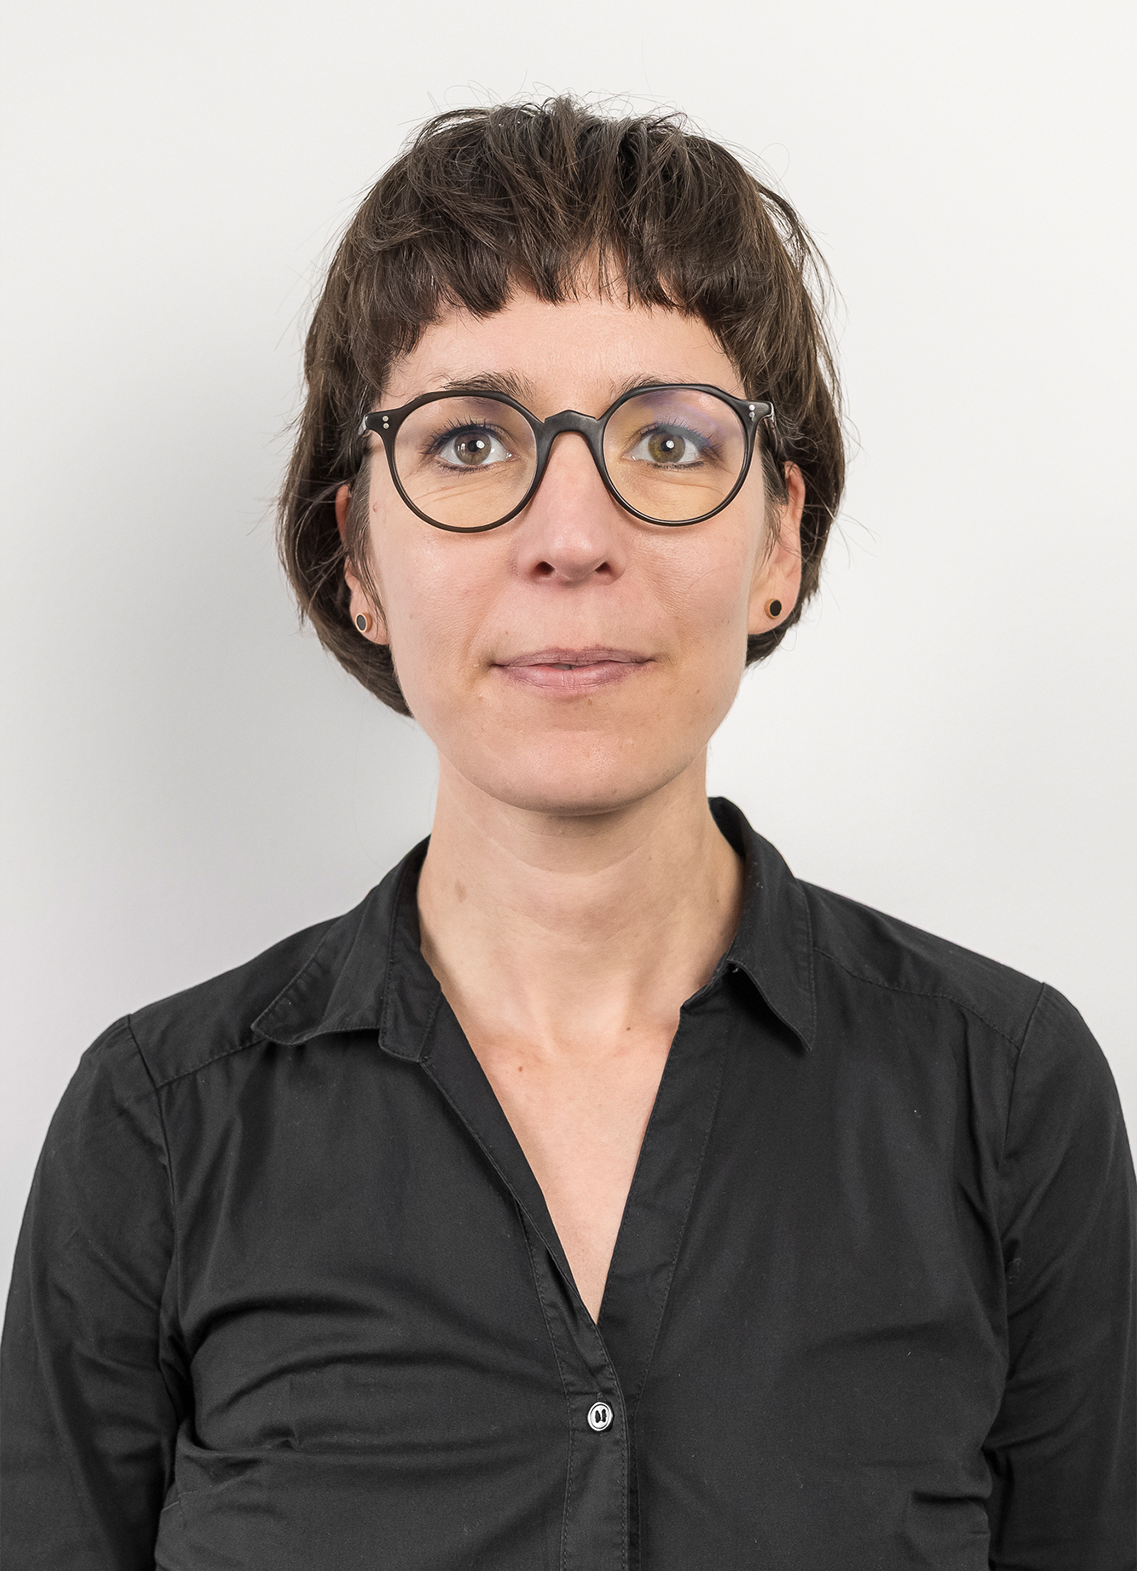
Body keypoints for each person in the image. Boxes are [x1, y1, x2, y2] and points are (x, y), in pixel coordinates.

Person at [2, 97, 1133, 1571]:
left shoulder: (1006, 1091)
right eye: (471, 442)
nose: (572, 536)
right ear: (357, 556)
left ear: (778, 539)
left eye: (666, 439)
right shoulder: (156, 1125)